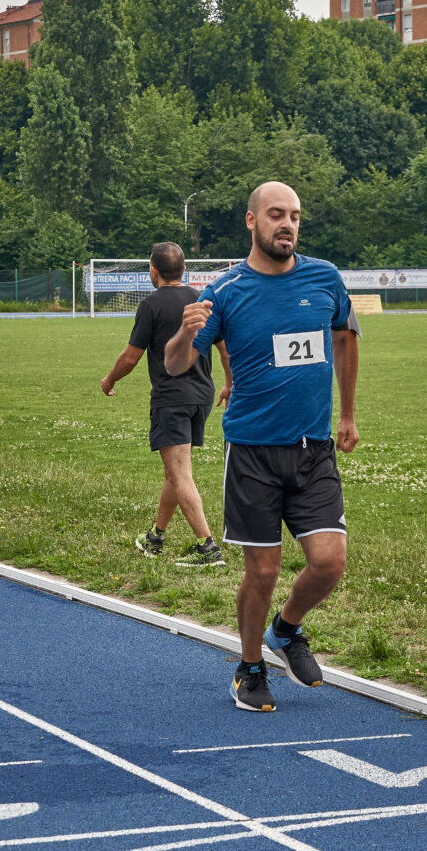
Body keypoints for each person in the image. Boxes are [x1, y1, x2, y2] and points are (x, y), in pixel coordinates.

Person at [164, 182, 358, 712]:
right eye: (276, 215)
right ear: (251, 221)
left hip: (313, 448)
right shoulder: (225, 293)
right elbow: (176, 364)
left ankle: (286, 629)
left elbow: (344, 337)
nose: (287, 225)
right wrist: (184, 334)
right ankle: (249, 668)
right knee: (263, 571)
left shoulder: (325, 278)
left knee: (330, 562)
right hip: (252, 452)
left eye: (294, 216)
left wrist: (346, 411)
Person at [100, 241, 229, 567]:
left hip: (172, 399)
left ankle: (208, 548)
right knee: (176, 470)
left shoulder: (151, 305)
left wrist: (109, 380)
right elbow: (225, 347)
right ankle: (155, 536)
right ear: (184, 270)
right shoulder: (202, 301)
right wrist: (231, 382)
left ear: (153, 271)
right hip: (202, 395)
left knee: (180, 472)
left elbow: (131, 357)